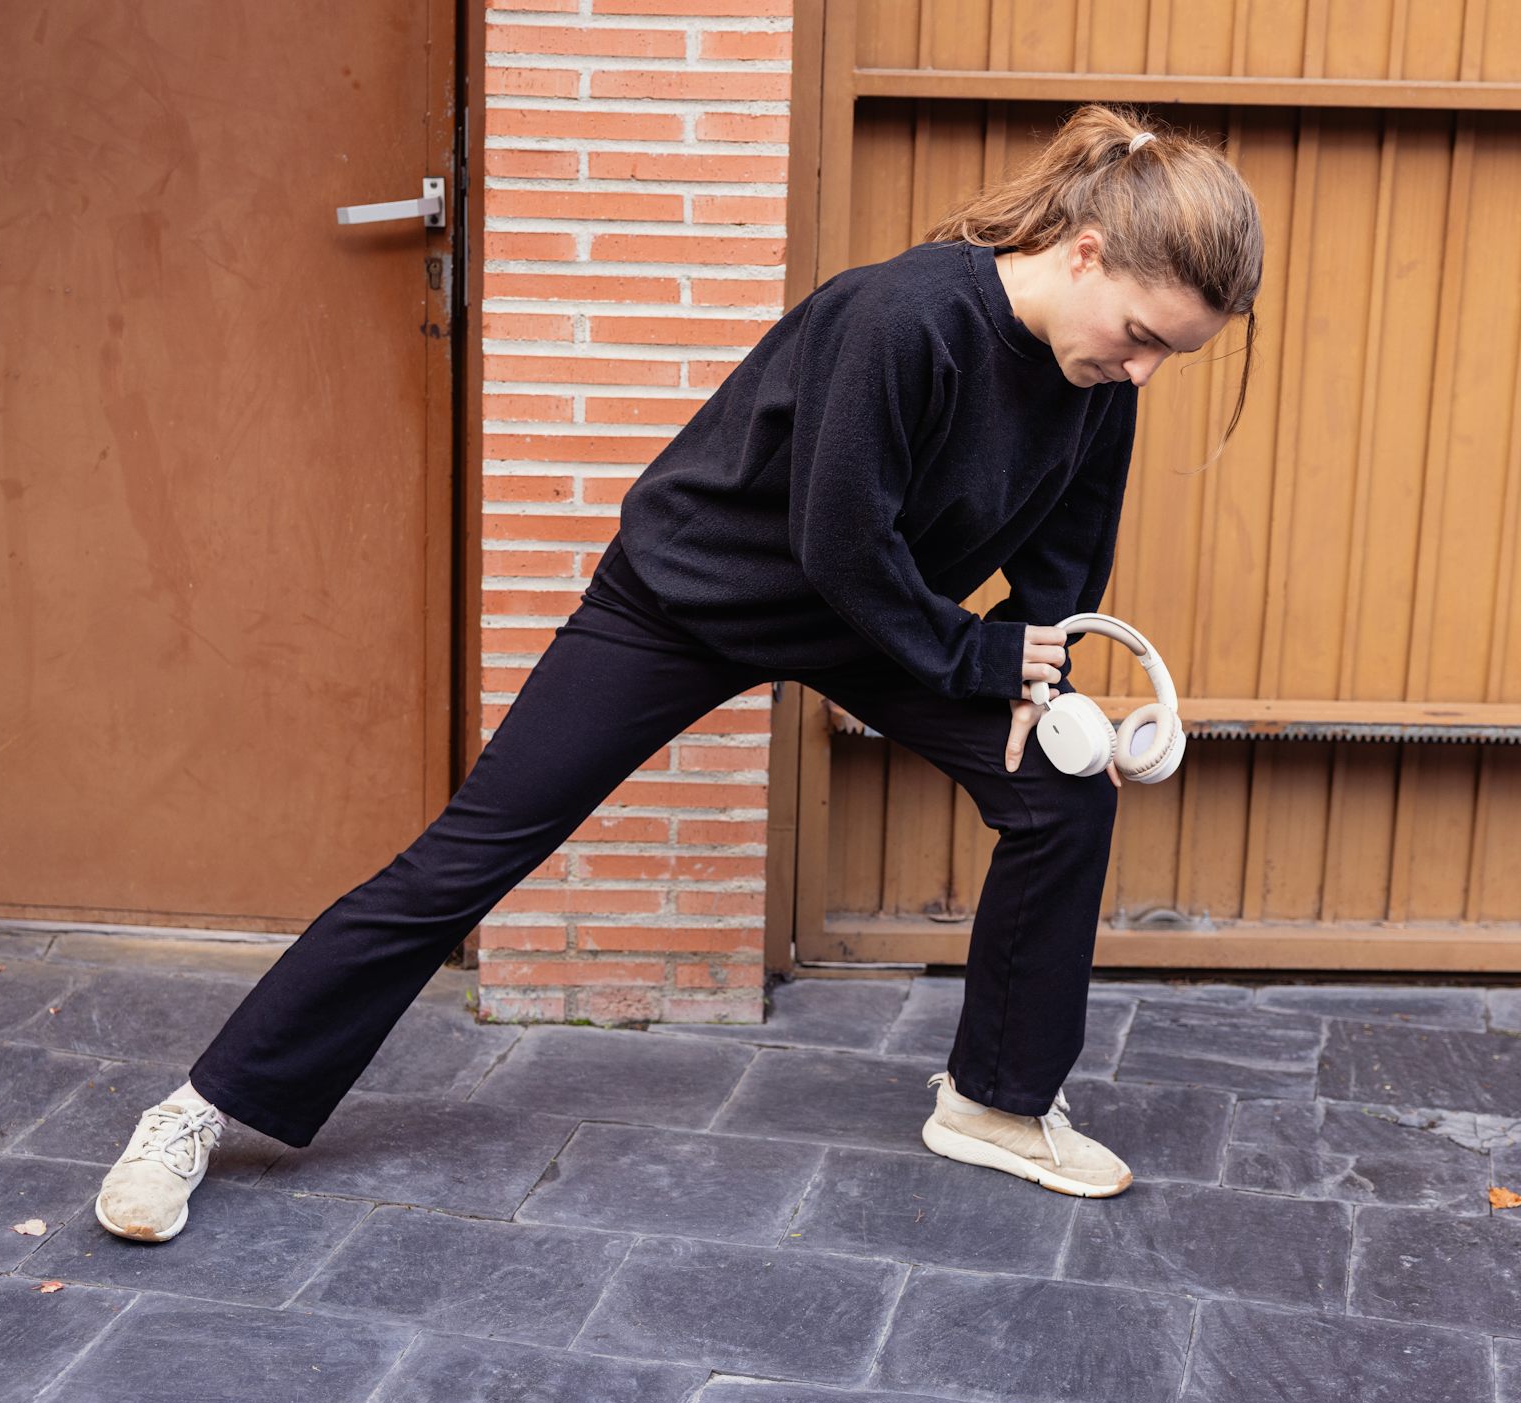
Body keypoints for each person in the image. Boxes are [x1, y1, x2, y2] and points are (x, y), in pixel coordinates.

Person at [93, 103, 1263, 1242]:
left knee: (1061, 788)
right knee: (470, 853)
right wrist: (974, 652)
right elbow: (840, 542)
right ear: (1085, 252)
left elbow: (1065, 558)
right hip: (692, 597)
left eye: (1174, 352)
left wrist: (1036, 682)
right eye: (1144, 335)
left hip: (875, 620)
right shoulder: (902, 318)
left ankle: (997, 1103)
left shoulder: (1094, 380)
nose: (1145, 370)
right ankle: (198, 1110)